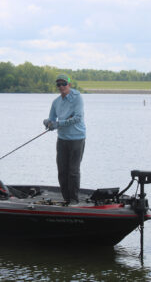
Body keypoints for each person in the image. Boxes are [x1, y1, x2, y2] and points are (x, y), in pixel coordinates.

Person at [43, 74, 86, 205]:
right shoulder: (56, 102)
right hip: (62, 140)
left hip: (77, 139)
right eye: (59, 84)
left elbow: (77, 118)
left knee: (73, 171)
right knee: (62, 171)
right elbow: (52, 119)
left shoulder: (77, 98)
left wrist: (58, 124)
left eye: (64, 84)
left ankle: (73, 199)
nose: (61, 86)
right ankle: (66, 198)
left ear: (69, 85)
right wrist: (48, 123)